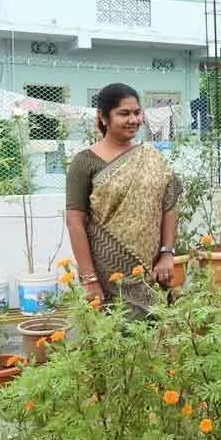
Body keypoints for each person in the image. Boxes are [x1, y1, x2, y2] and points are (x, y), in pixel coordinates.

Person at [66, 83, 181, 315]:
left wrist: (167, 253)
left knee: (153, 341)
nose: (133, 120)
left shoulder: (152, 158)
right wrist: (89, 279)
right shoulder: (85, 162)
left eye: (137, 113)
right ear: (103, 117)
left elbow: (169, 205)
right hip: (106, 274)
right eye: (124, 113)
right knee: (113, 339)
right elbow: (74, 221)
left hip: (151, 270)